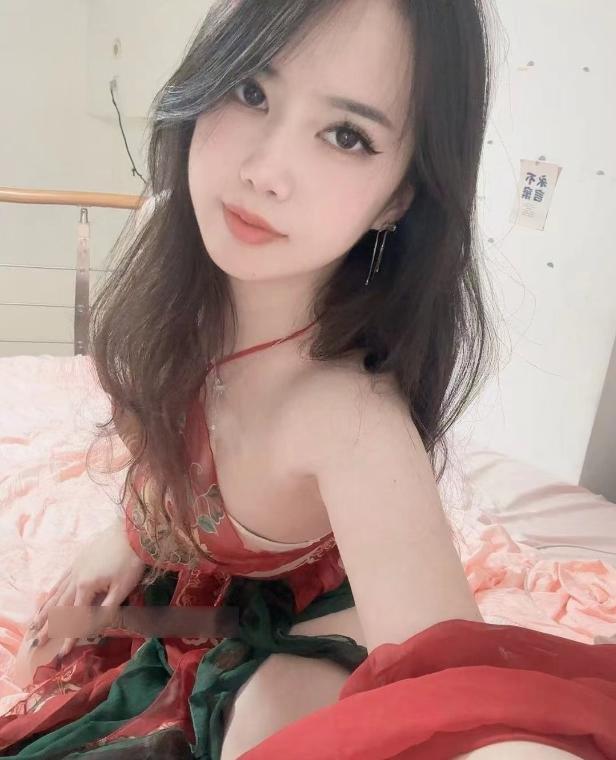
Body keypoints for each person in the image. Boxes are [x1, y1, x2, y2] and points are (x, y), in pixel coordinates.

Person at [3, 0, 615, 758]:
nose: (264, 170)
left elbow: (456, 698)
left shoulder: (350, 418)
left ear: (399, 196)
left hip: (300, 632)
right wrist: (125, 537)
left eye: (346, 134)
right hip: (195, 594)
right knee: (43, 655)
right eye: (251, 90)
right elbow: (165, 446)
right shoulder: (173, 279)